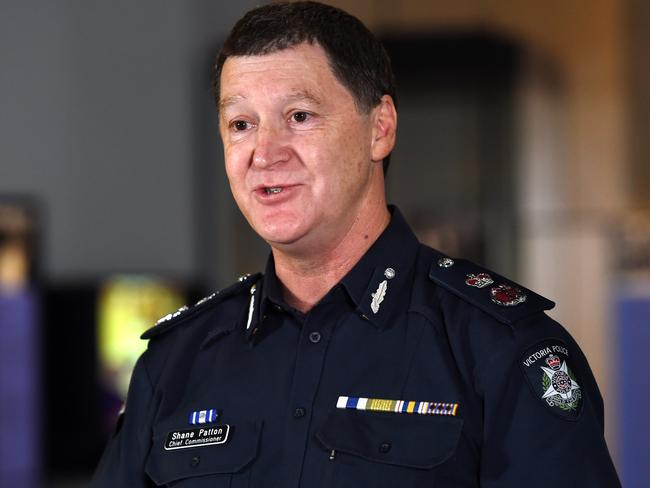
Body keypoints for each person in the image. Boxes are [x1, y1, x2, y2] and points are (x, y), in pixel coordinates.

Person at [91, 2, 621, 486]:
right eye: (240, 124)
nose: (264, 152)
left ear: (380, 129)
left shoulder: (502, 350)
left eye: (300, 116)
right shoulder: (175, 364)